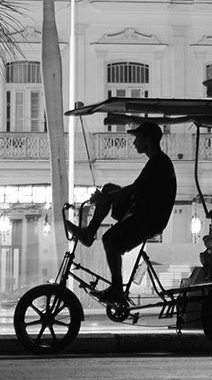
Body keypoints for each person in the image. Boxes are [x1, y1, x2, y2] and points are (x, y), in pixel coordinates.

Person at [67, 121, 176, 303]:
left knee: (109, 241)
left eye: (138, 138)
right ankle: (89, 233)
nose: (134, 143)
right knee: (108, 188)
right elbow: (136, 190)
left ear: (148, 140)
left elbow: (135, 188)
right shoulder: (158, 162)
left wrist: (106, 199)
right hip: (142, 210)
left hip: (147, 218)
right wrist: (107, 196)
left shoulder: (159, 163)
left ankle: (117, 288)